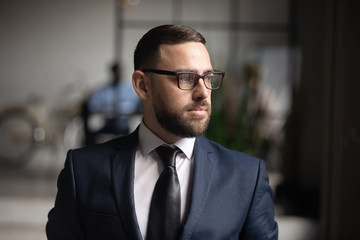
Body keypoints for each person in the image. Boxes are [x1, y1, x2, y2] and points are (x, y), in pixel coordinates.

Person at [46, 24, 278, 240]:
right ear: (143, 85)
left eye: (208, 77)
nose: (203, 92)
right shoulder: (83, 170)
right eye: (186, 78)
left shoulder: (247, 176)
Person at [82, 61, 141, 145]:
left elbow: (136, 106)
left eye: (119, 71)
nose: (118, 74)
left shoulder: (130, 88)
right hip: (108, 122)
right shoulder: (104, 89)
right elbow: (92, 105)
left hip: (124, 123)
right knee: (91, 137)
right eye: (115, 71)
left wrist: (122, 110)